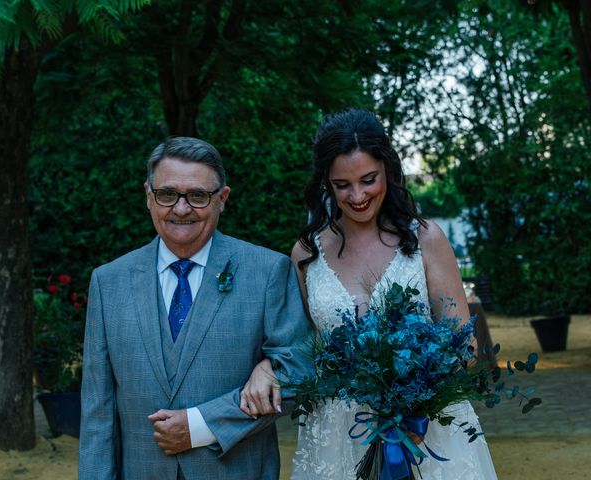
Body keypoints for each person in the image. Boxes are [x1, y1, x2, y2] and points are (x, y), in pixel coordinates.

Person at [240, 108, 498, 479]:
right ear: (326, 183)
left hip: (426, 431)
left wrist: (414, 402)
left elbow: (463, 347)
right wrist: (267, 366)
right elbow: (302, 344)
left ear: (388, 172)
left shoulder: (426, 240)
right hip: (337, 431)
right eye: (342, 184)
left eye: (368, 179)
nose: (357, 195)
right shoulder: (306, 253)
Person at [79, 137, 312, 479]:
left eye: (198, 196)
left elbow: (300, 373)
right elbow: (97, 414)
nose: (181, 209)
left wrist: (201, 425)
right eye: (167, 194)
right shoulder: (108, 282)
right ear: (148, 196)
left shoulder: (267, 272)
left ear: (223, 199)